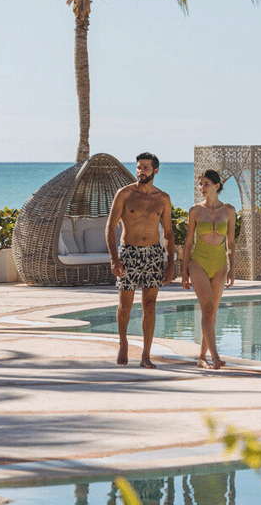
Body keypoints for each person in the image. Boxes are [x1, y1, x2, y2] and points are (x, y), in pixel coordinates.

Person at [107, 152, 175, 368]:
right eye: (138, 167)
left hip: (154, 254)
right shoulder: (125, 194)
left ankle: (146, 354)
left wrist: (171, 263)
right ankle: (123, 343)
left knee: (150, 304)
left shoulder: (162, 198)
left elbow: (169, 233)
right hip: (129, 253)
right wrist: (114, 258)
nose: (141, 171)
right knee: (125, 305)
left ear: (155, 170)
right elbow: (110, 227)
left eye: (145, 167)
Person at [181, 169, 235, 369]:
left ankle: (202, 357)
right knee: (208, 309)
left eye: (206, 184)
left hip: (220, 264)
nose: (202, 188)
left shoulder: (229, 210)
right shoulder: (195, 210)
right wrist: (184, 270)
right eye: (200, 184)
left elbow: (231, 242)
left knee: (211, 314)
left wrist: (232, 268)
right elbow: (188, 242)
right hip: (199, 263)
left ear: (217, 186)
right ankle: (215, 357)